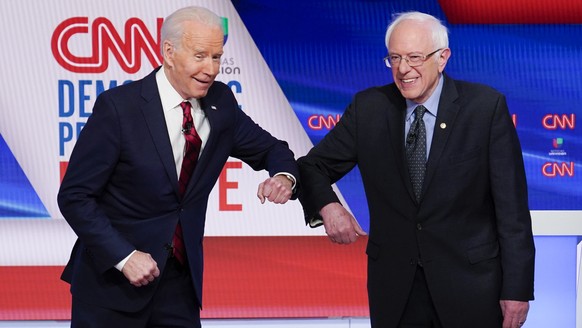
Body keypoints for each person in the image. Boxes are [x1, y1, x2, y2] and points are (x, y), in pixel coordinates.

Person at [57, 6, 298, 328]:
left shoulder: (221, 103)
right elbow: (74, 196)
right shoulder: (119, 108)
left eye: (216, 57)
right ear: (169, 53)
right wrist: (124, 256)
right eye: (200, 56)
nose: (210, 69)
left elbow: (272, 149)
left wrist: (283, 176)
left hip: (179, 286)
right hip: (111, 285)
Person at [297, 11, 535, 328]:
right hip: (397, 291)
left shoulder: (484, 108)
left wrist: (517, 290)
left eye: (414, 57)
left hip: (471, 288)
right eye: (394, 58)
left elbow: (513, 211)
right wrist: (328, 206)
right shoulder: (369, 108)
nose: (403, 69)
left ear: (442, 58)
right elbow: (312, 166)